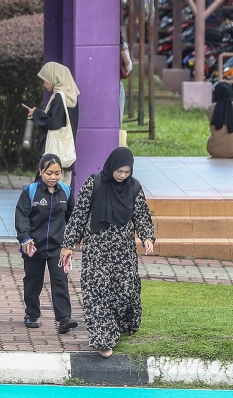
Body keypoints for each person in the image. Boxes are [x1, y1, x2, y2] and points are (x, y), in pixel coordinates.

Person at [61, 147, 156, 357]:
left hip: (123, 253)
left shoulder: (134, 188)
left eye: (126, 171)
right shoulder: (94, 183)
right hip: (96, 250)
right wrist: (68, 244)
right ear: (111, 166)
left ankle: (119, 325)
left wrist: (147, 236)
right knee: (97, 292)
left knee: (124, 293)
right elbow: (79, 215)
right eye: (119, 170)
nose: (122, 175)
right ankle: (104, 339)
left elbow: (141, 215)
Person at [14, 154, 78, 334]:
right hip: (33, 246)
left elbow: (72, 217)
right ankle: (32, 314)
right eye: (49, 172)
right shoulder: (30, 192)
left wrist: (72, 240)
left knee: (60, 280)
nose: (53, 177)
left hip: (58, 248)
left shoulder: (65, 191)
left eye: (57, 173)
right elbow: (21, 217)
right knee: (33, 281)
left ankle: (64, 318)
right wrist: (25, 238)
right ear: (41, 171)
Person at [28, 62, 80, 183]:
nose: (44, 84)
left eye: (45, 80)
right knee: (63, 191)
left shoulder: (59, 97)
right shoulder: (72, 97)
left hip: (54, 159)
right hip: (66, 155)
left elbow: (54, 122)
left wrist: (37, 114)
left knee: (50, 193)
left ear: (54, 78)